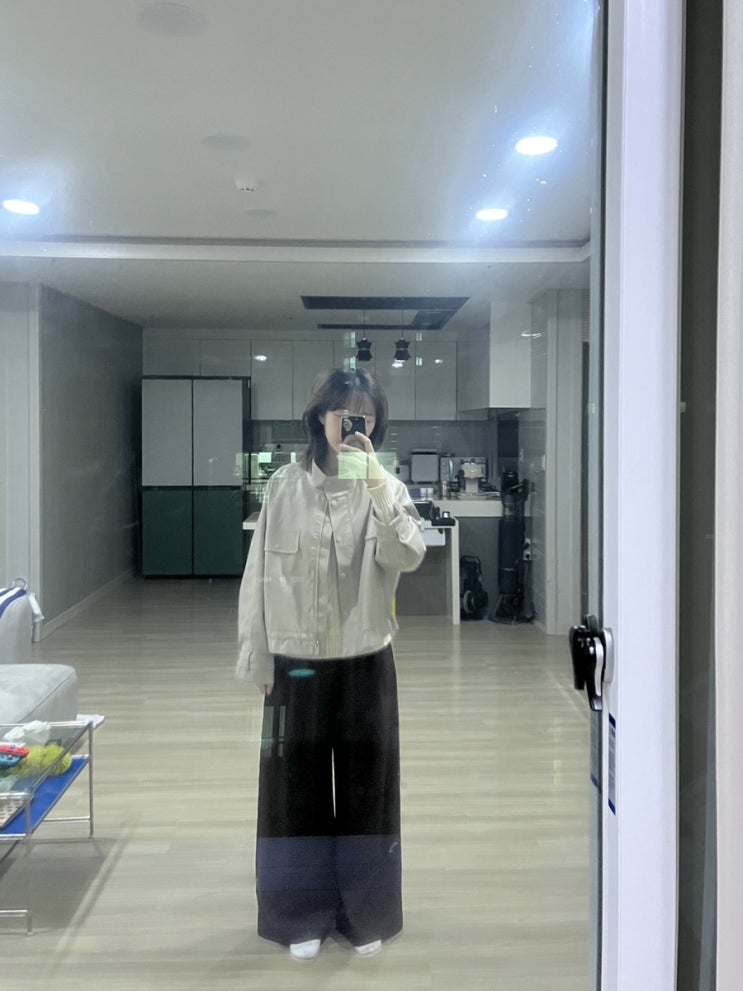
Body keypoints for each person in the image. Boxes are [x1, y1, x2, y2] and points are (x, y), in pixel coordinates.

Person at [237, 367, 426, 962]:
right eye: (344, 413)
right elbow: (257, 578)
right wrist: (258, 658)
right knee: (291, 792)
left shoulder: (384, 488)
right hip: (293, 668)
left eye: (365, 415)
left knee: (371, 791)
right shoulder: (283, 487)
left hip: (367, 662)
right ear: (320, 417)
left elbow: (410, 554)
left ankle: (366, 911)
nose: (353, 424)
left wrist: (376, 483)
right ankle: (298, 913)